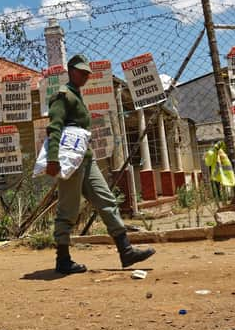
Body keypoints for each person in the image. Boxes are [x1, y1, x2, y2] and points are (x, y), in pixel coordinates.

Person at [46, 54, 156, 274]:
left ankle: (126, 251)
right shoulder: (63, 96)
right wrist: (53, 159)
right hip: (70, 162)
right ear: (71, 71)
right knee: (68, 210)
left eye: (87, 72)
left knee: (107, 200)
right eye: (81, 72)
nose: (86, 75)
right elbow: (54, 127)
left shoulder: (76, 96)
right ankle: (63, 259)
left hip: (86, 159)